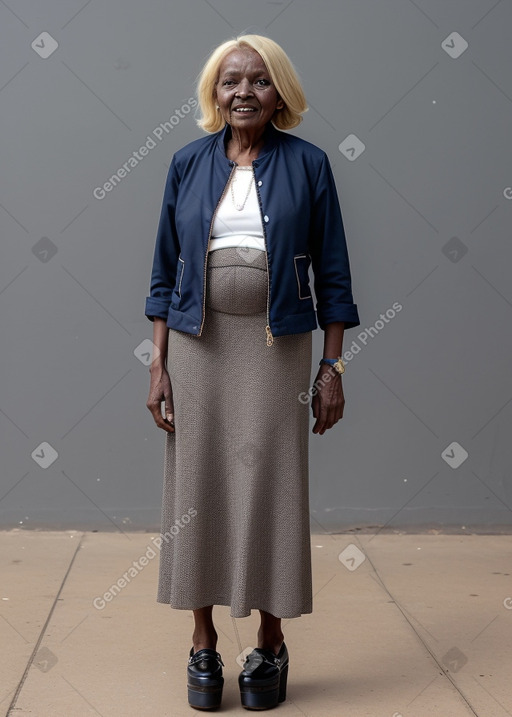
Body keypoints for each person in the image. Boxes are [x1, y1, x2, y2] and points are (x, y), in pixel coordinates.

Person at [145, 34, 360, 711]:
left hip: (279, 347)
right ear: (215, 90)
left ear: (281, 94)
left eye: (259, 81)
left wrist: (332, 364)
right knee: (198, 481)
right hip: (196, 344)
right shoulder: (186, 163)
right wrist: (158, 361)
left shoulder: (310, 164)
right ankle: (202, 637)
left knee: (270, 481)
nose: (243, 92)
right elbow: (160, 272)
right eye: (231, 80)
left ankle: (270, 639)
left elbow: (333, 274)